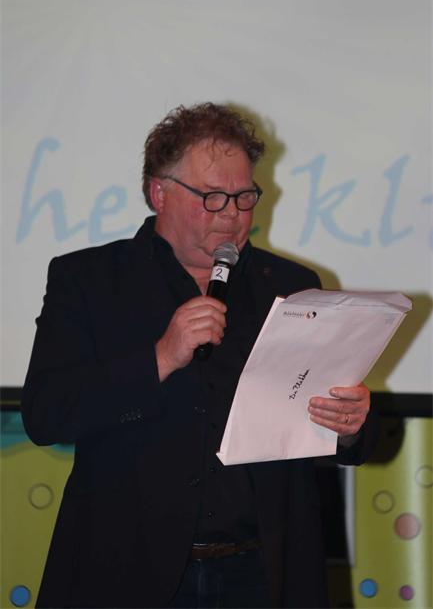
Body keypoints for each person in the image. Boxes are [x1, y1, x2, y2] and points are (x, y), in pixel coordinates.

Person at [22, 102, 377, 609]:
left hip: (263, 573)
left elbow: (328, 431)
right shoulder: (89, 281)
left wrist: (351, 424)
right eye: (212, 197)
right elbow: (46, 414)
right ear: (159, 193)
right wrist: (160, 357)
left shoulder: (293, 286)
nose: (232, 214)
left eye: (245, 197)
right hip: (126, 574)